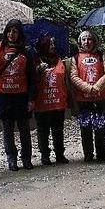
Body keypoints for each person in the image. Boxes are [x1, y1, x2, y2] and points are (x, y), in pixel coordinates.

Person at [0, 20, 36, 171]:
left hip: (21, 95)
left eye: (15, 31)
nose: (11, 34)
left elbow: (32, 76)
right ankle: (11, 159)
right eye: (9, 31)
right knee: (7, 130)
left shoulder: (26, 51)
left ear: (19, 33)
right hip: (2, 95)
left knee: (24, 129)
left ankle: (27, 158)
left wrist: (31, 98)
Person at [70, 31, 105, 162]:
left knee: (100, 126)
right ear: (80, 42)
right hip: (83, 98)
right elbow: (73, 76)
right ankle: (88, 153)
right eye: (84, 39)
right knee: (85, 127)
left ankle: (101, 152)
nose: (87, 42)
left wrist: (97, 87)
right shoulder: (75, 58)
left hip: (100, 97)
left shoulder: (101, 55)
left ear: (94, 41)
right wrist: (88, 88)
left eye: (89, 39)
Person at [34, 35, 70, 165]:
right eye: (49, 45)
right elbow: (31, 80)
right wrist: (38, 71)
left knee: (58, 129)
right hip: (41, 102)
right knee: (43, 131)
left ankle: (60, 154)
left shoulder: (59, 60)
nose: (52, 47)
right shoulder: (36, 61)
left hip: (57, 102)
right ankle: (45, 155)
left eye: (53, 44)